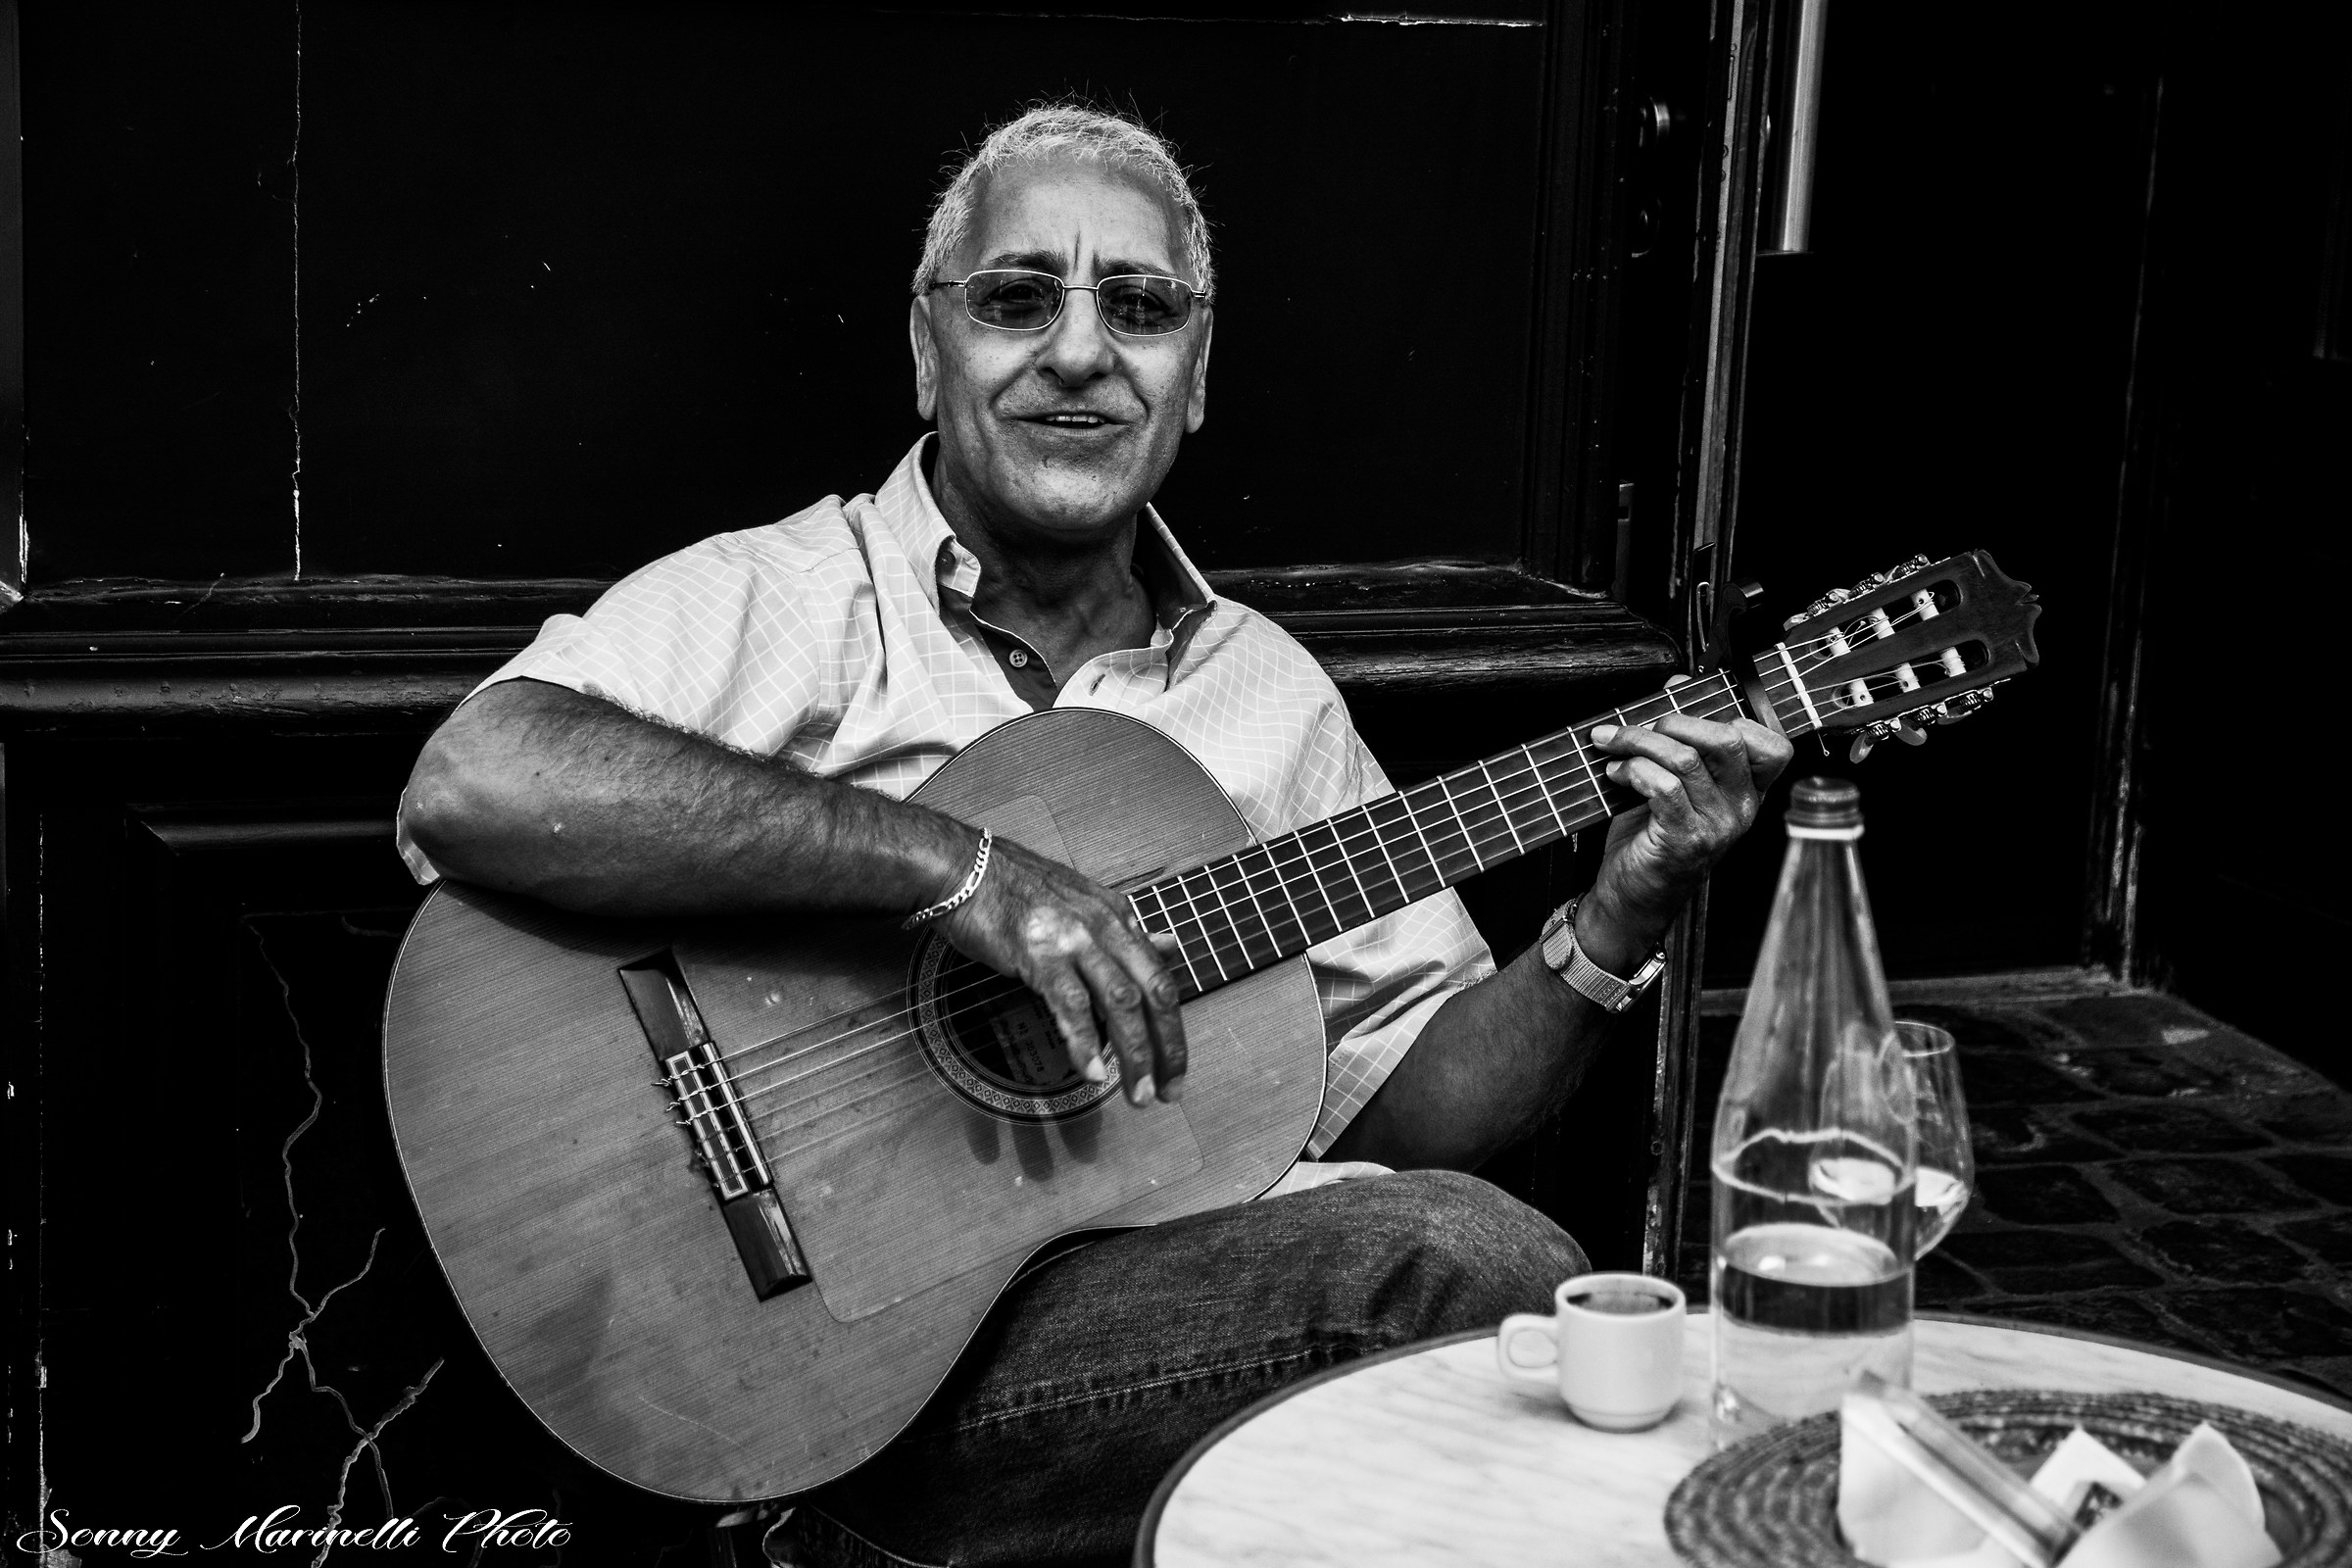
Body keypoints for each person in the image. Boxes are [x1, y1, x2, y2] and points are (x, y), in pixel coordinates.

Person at [399, 104, 1792, 1568]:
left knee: (1482, 1271)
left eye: (1139, 308)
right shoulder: (793, 597)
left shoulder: (1266, 695)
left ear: (1194, 379)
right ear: (927, 350)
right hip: (813, 1360)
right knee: (1486, 1277)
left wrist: (1621, 914)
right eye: (1017, 299)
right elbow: (478, 780)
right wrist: (962, 874)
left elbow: (1396, 1119)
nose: (1079, 352)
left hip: (1119, 1332)